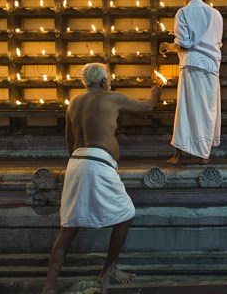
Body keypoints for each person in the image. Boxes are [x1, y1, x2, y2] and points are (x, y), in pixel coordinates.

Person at [41, 63, 162, 294]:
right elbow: (147, 107)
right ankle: (108, 270)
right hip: (99, 165)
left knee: (68, 227)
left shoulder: (73, 103)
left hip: (75, 164)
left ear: (85, 82)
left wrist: (82, 164)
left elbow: (68, 141)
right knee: (126, 215)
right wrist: (155, 93)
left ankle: (49, 286)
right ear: (105, 81)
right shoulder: (112, 98)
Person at [159, 0, 223, 164]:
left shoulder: (183, 12)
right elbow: (218, 42)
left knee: (186, 109)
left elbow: (184, 43)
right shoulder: (215, 14)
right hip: (211, 65)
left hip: (193, 65)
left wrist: (168, 47)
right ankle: (205, 154)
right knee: (208, 109)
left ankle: (178, 156)